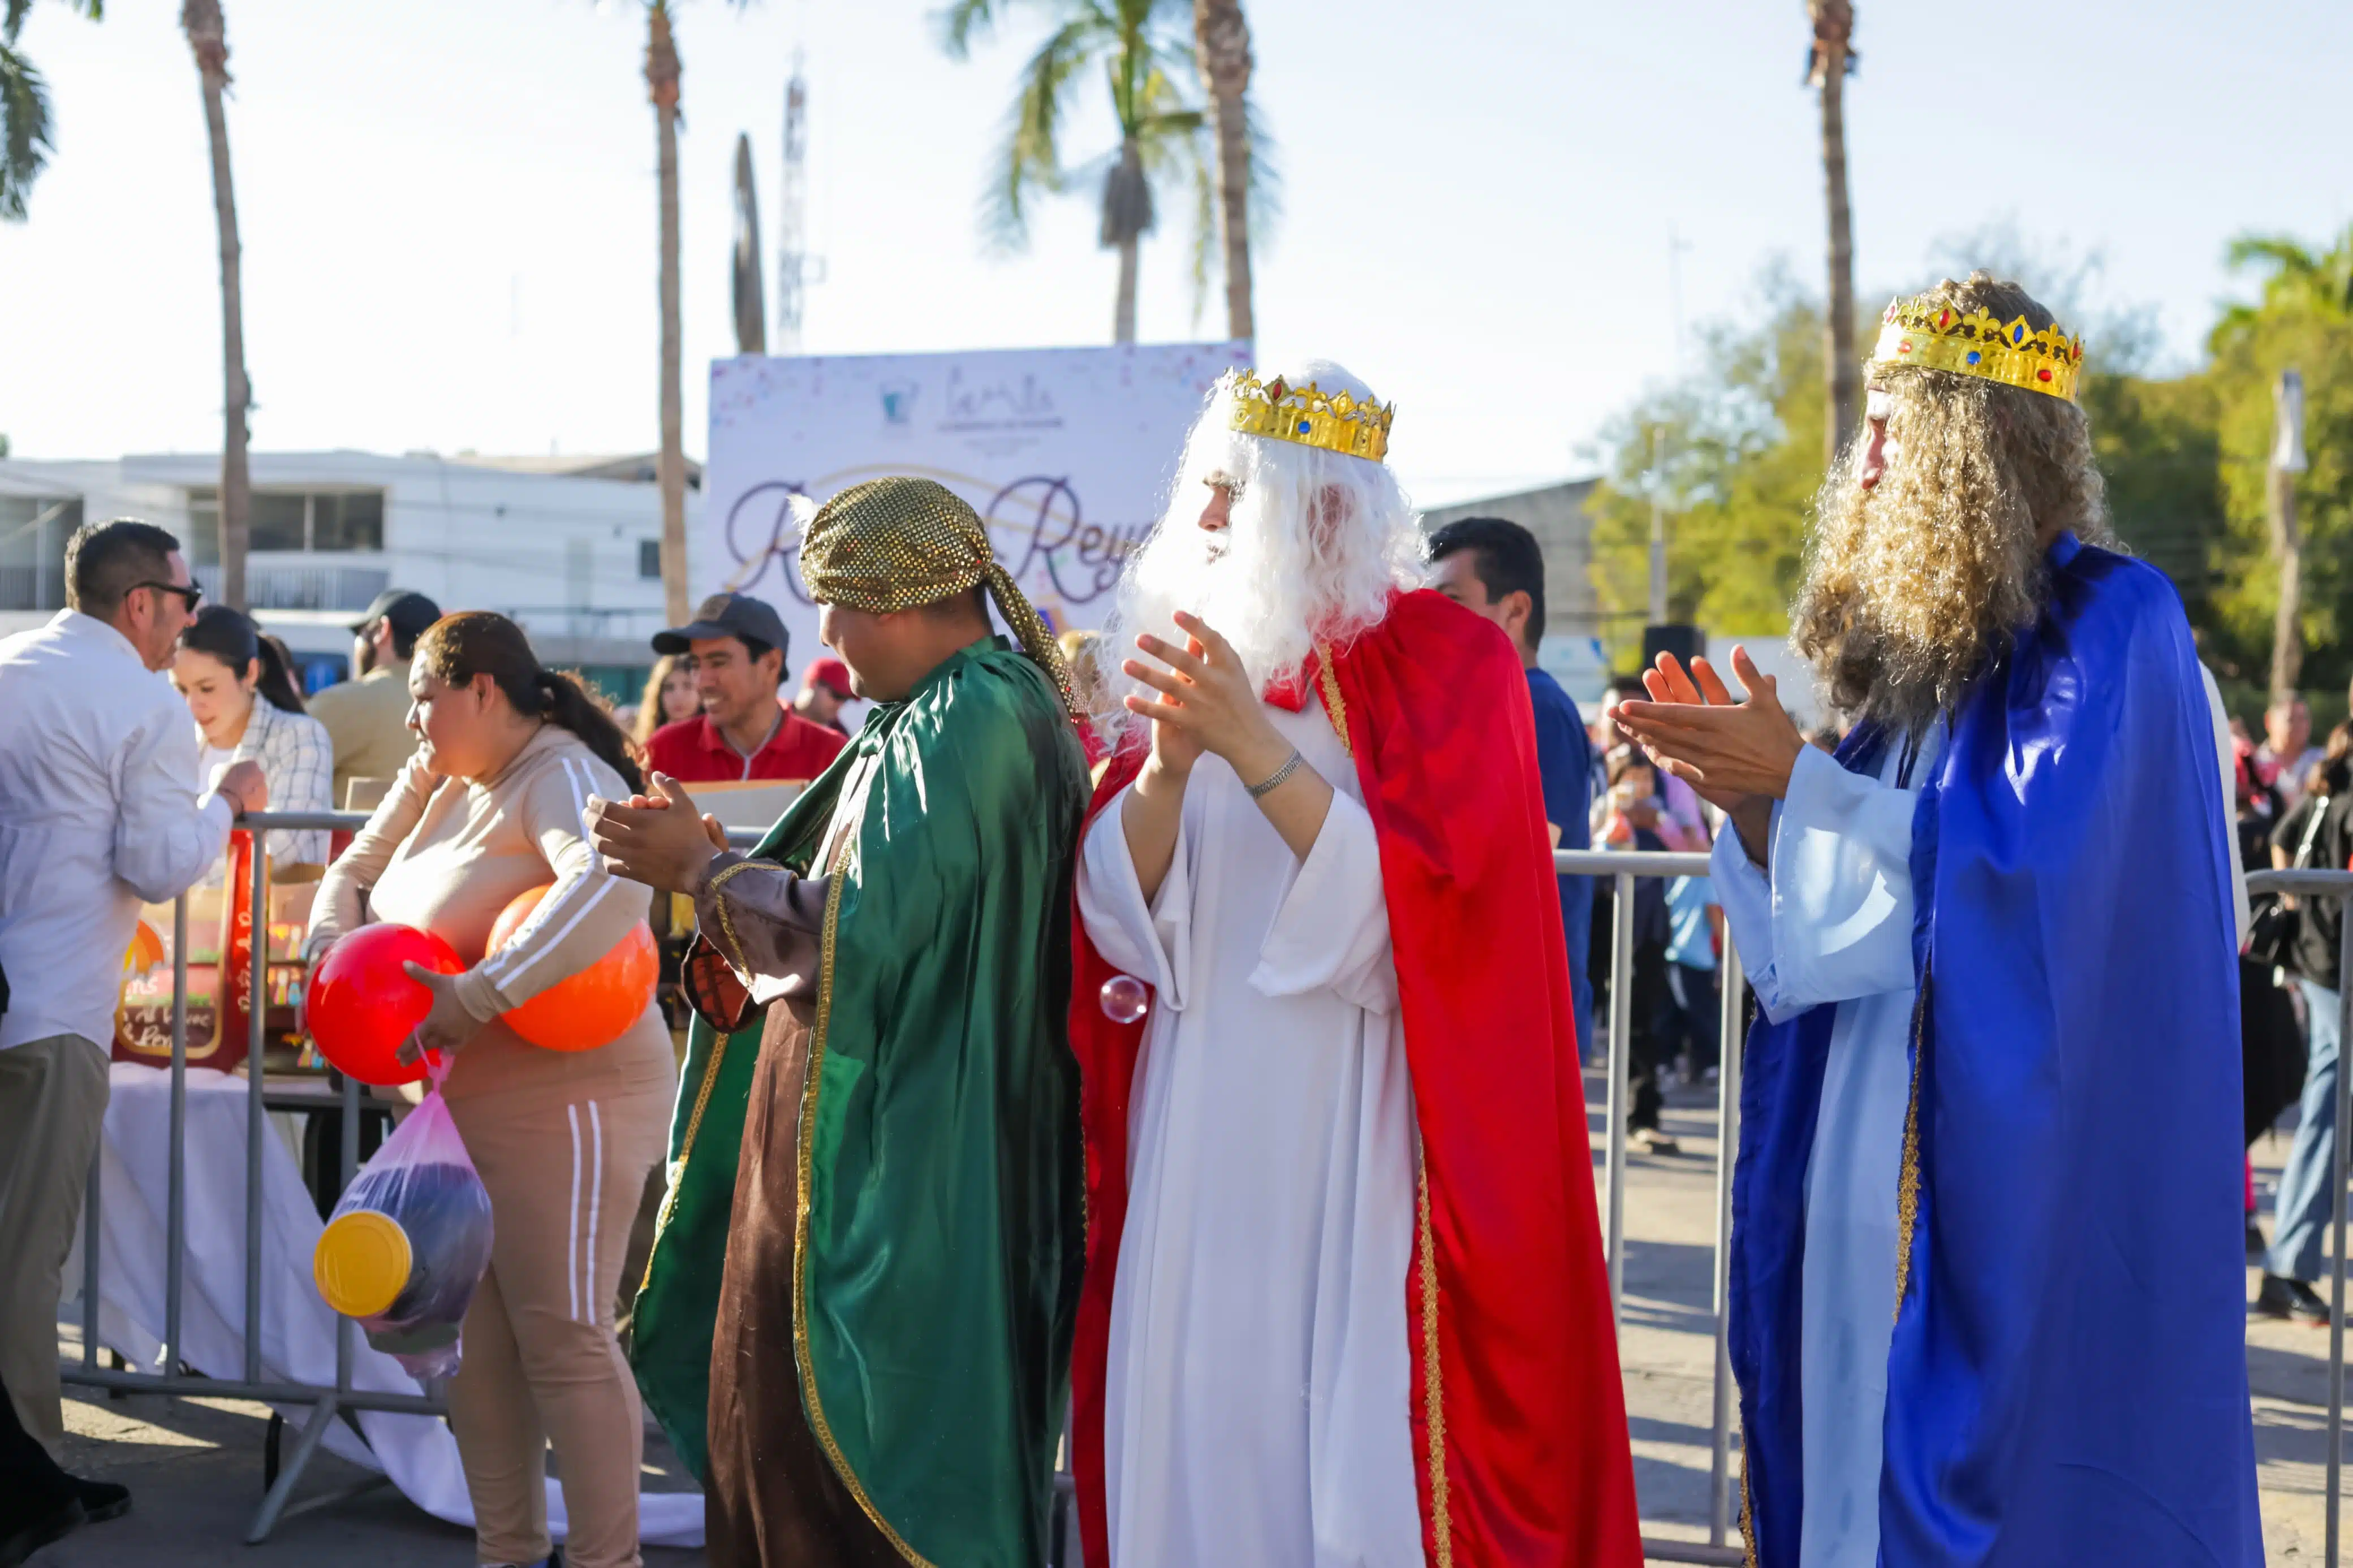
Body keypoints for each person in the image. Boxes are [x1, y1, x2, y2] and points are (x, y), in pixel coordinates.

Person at [1616, 274, 2259, 1567]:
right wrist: (1752, 809)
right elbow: (1829, 939)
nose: (1861, 468)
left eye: (1890, 432)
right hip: (1861, 1159)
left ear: (1968, 448)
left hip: (2015, 1187)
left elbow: (2032, 888)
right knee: (1850, 1468)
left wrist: (1795, 786)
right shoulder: (1908, 673)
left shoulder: (2111, 623)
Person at [1068, 364, 1640, 1566]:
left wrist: (1247, 748)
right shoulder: (1188, 662)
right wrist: (1170, 769)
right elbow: (1121, 917)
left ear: (1318, 505)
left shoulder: (1452, 665)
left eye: (1236, 494)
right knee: (1198, 1397)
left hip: (1356, 1116)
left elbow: (1428, 934)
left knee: (1333, 1421)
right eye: (1204, 491)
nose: (1206, 520)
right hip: (1198, 1098)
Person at [592, 477, 1088, 1567]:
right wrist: (718, 874)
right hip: (846, 1156)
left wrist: (704, 871)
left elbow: (863, 938)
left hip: (901, 1179)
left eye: (835, 604)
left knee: (859, 1471)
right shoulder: (924, 718)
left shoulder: (975, 713)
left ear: (897, 599)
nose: (825, 633)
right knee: (777, 1453)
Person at [307, 612, 674, 1568]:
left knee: (564, 1338)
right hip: (452, 1113)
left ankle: (607, 1559)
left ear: (480, 688)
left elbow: (612, 882)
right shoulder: (438, 775)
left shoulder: (557, 771)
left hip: (572, 1099)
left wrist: (480, 994)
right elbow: (351, 871)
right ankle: (506, 1553)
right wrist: (326, 961)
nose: (413, 721)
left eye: (423, 699)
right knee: (476, 1358)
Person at [0, 519, 266, 1524]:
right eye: (186, 597)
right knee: (25, 1255)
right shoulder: (140, 702)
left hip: (22, 990)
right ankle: (24, 1476)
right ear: (142, 601)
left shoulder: (11, 665)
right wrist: (227, 803)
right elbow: (160, 863)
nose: (193, 616)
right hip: (53, 1005)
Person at [1425, 514, 1597, 1063]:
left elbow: (1522, 856)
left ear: (1515, 609)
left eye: (1451, 601)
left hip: (1522, 1012)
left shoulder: (1537, 706)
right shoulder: (1486, 704)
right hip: (1481, 1004)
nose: (1433, 623)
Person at [2253, 726, 2353, 1323]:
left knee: (2328, 1107)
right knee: (2326, 1110)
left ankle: (2288, 1262)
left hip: (2319, 964)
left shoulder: (2327, 781)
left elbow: (2281, 840)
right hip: (2332, 969)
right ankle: (2287, 1262)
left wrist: (2296, 909)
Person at [170, 604, 335, 875]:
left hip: (269, 914)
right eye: (181, 689)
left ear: (250, 673)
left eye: (207, 688)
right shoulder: (179, 741)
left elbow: (280, 849)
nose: (192, 705)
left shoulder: (300, 736)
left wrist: (181, 867)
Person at [644, 592, 847, 783]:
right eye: (695, 665)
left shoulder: (832, 756)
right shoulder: (663, 752)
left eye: (718, 663)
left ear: (771, 664)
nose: (702, 682)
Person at [1593, 749, 1679, 1151]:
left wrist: (1662, 825)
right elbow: (1596, 858)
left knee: (1647, 1025)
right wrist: (1616, 822)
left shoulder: (1662, 818)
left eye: (1646, 779)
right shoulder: (1603, 811)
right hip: (1609, 930)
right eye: (1631, 778)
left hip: (1650, 933)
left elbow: (1693, 850)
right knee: (1614, 1022)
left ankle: (1643, 1114)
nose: (1640, 787)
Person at [308, 588, 439, 809]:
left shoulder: (343, 702)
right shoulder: (454, 706)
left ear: (382, 630)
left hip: (359, 841)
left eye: (359, 633)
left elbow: (276, 770)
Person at [1662, 867, 1724, 1085]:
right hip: (1698, 955)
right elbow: (1714, 911)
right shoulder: (1705, 873)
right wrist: (1728, 950)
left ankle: (1687, 1066)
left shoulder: (1682, 875)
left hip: (1679, 951)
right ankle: (1709, 1067)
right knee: (1703, 1015)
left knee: (1683, 1013)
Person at [2256, 694, 2324, 812]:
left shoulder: (2323, 761)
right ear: (2269, 722)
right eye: (2291, 719)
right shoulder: (2255, 764)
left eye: (2304, 718)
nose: (2300, 726)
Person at [628, 653, 701, 753]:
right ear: (658, 695)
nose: (678, 696)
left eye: (688, 686)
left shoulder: (724, 743)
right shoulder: (649, 748)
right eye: (669, 688)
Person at [789, 655, 855, 737]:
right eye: (837, 695)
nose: (840, 705)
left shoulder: (841, 737)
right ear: (813, 684)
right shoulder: (774, 716)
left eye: (845, 699)